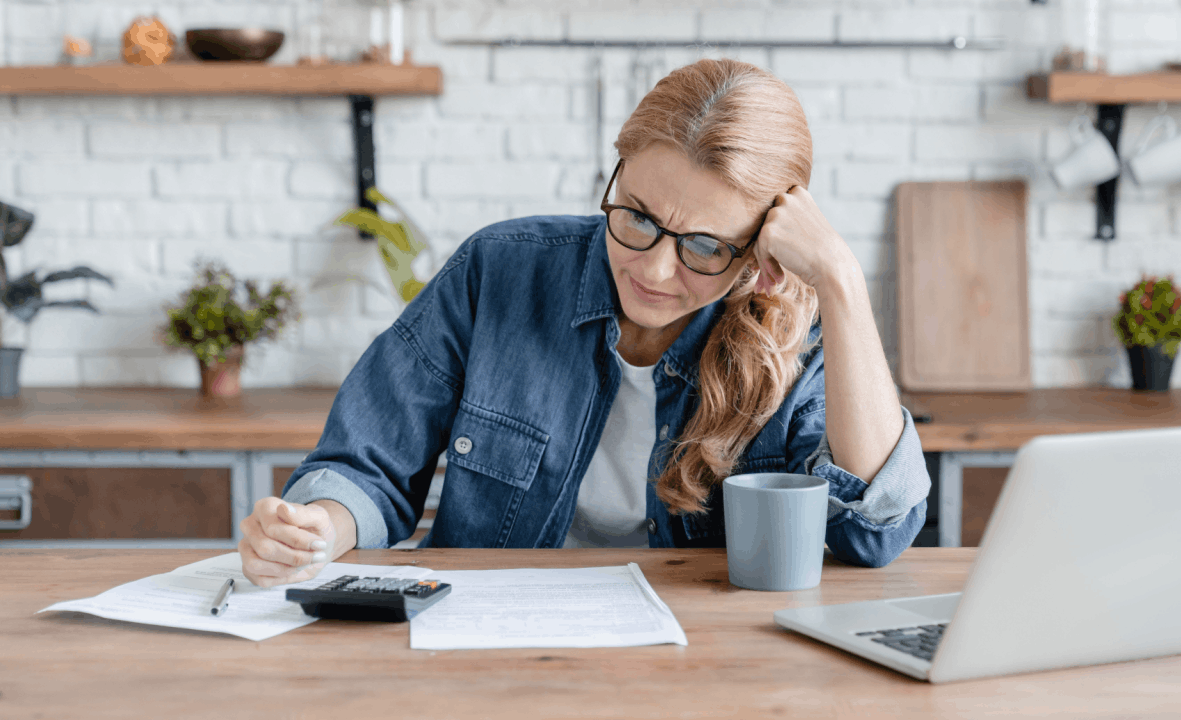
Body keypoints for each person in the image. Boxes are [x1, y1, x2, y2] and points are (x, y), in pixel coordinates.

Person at [238, 58, 930, 588]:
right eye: (636, 217)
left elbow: (876, 533)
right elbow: (368, 464)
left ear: (759, 255)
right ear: (618, 173)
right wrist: (315, 530)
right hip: (492, 645)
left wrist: (839, 279)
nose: (655, 271)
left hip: (707, 668)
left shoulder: (794, 334)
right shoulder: (499, 270)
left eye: (703, 247)